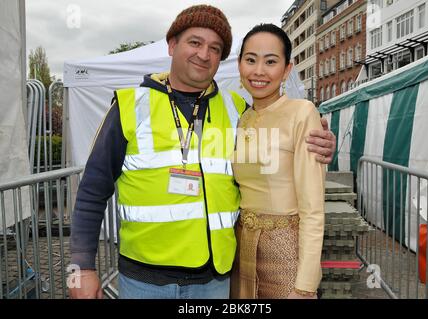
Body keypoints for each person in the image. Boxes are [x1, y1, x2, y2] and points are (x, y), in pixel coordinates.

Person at [68, 5, 335, 299]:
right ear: (172, 45)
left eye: (215, 48)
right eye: (195, 42)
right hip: (145, 281)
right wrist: (81, 267)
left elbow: (279, 139)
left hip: (215, 282)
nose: (204, 54)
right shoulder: (130, 107)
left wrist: (319, 141)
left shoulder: (238, 110)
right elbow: (92, 191)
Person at [230, 24, 325, 299]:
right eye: (250, 60)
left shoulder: (302, 112)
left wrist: (305, 285)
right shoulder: (241, 118)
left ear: (286, 69)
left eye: (270, 62)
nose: (259, 71)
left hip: (286, 252)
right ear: (239, 65)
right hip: (242, 249)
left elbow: (313, 207)